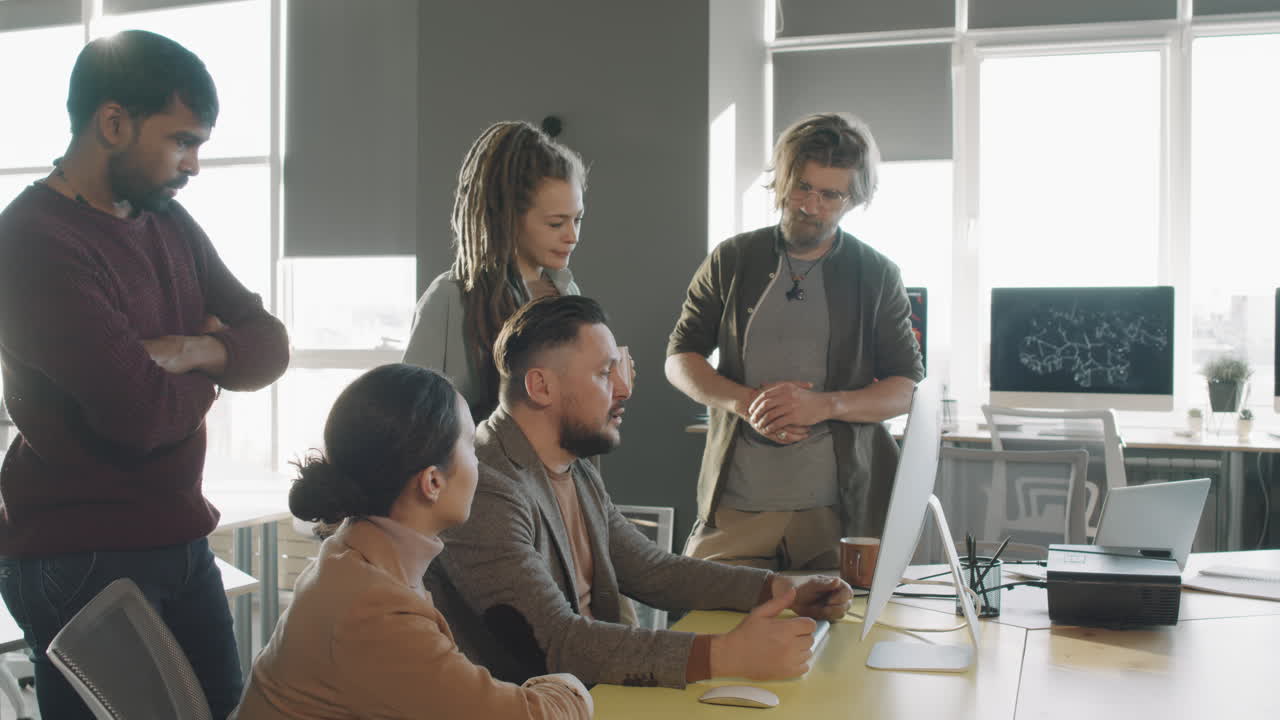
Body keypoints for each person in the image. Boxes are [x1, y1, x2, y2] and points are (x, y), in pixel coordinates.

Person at [0, 30, 290, 719]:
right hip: (84, 556)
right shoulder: (35, 241)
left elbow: (271, 343)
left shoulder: (167, 221)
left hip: (178, 537)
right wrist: (222, 356)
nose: (194, 164)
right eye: (182, 141)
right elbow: (138, 415)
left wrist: (188, 353)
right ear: (112, 123)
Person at [426, 295, 853, 689]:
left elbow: (651, 569)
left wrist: (782, 591)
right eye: (602, 373)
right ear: (541, 387)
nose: (624, 387)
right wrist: (726, 654)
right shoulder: (485, 488)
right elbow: (557, 642)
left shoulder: (572, 464)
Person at [235, 364, 592, 720]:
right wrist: (570, 685)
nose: (480, 464)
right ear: (433, 482)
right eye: (470, 445)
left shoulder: (352, 559)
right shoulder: (374, 612)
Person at [665, 112, 924, 572]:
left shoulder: (877, 274)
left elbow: (907, 388)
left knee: (842, 637)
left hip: (839, 512)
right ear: (782, 182)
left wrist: (826, 406)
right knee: (703, 630)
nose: (811, 205)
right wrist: (745, 402)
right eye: (802, 187)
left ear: (852, 199)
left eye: (831, 194)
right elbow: (679, 357)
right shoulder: (733, 259)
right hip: (736, 504)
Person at [404, 120, 587, 422]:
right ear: (508, 217)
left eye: (577, 219)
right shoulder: (448, 299)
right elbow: (414, 419)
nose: (572, 236)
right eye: (556, 223)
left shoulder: (567, 291)